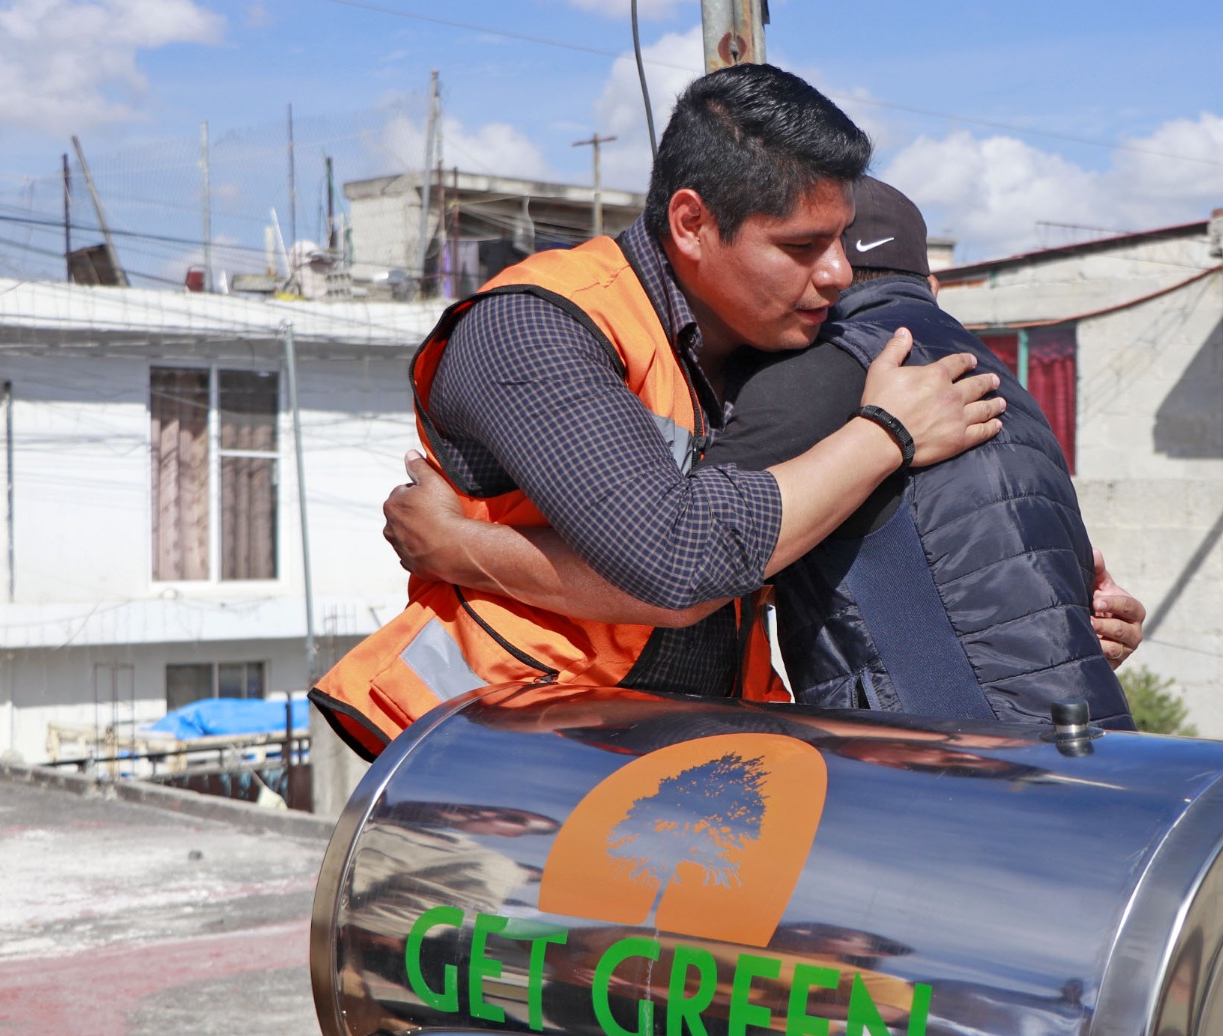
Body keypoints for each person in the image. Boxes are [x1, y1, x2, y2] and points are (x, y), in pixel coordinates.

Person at [310, 64, 1005, 760]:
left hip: (676, 765)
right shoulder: (535, 327)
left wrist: (1078, 592)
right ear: (692, 223)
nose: (838, 274)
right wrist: (886, 435)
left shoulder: (774, 339)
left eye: (841, 239)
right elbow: (679, 562)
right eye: (801, 246)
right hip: (501, 760)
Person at [387, 179, 1143, 729]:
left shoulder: (821, 374)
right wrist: (1084, 628)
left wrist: (453, 544)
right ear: (933, 284)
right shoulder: (1009, 378)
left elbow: (682, 569)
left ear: (831, 280)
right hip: (1080, 742)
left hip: (943, 758)